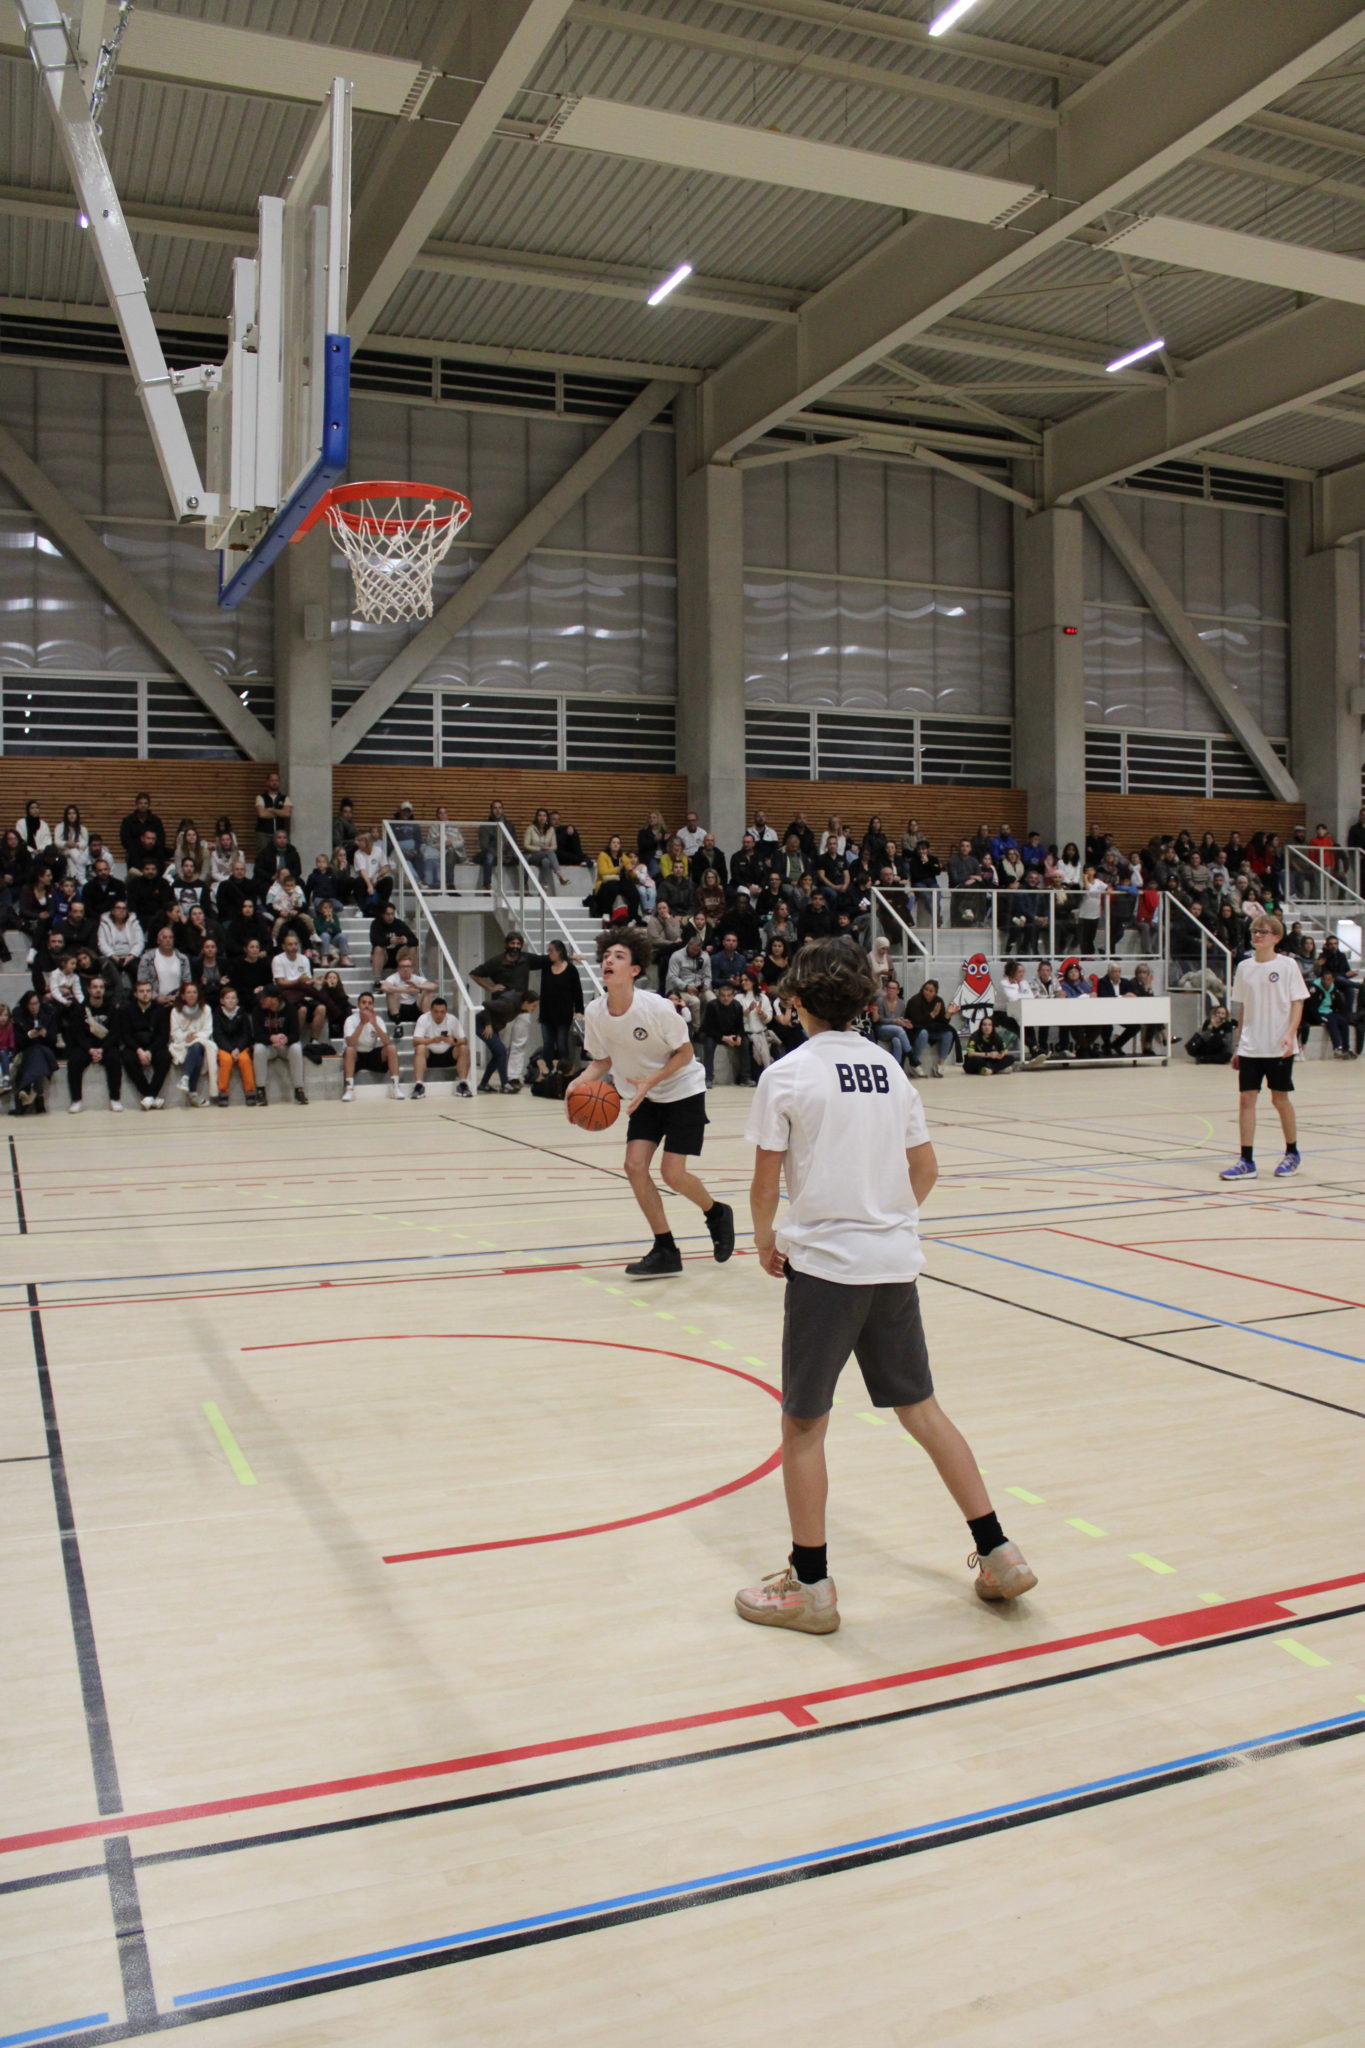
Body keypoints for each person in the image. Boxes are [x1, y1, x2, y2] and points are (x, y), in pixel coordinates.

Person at [735, 936, 1036, 1633]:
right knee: (922, 1410)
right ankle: (998, 1551)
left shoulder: (786, 1074)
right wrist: (885, 1221)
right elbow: (925, 1169)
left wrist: (765, 1239)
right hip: (893, 1264)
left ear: (796, 1000)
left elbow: (763, 1184)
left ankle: (810, 1586)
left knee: (802, 1425)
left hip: (827, 1271)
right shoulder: (888, 1068)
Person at [569, 929, 735, 1279]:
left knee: (672, 1174)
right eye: (607, 956)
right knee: (634, 1166)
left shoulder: (656, 1007)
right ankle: (665, 1248)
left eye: (618, 956)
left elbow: (685, 1053)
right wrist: (577, 1083)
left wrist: (650, 1080)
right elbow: (602, 1060)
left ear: (634, 970)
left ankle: (716, 1212)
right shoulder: (595, 1012)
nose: (609, 960)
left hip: (683, 1090)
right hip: (643, 1095)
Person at [1220, 913, 1307, 1181]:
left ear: (1276, 937)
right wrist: (1238, 1046)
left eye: (1263, 932)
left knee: (1279, 1099)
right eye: (1254, 931)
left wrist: (1290, 1034)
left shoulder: (1288, 965)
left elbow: (1297, 1003)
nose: (1257, 935)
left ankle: (1292, 1153)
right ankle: (1246, 1161)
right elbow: (1244, 1008)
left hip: (1279, 1046)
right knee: (1246, 1099)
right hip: (1251, 1046)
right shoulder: (1244, 967)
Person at [471, 933, 548, 1092]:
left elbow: (546, 959)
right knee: (502, 1048)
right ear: (506, 944)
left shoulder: (526, 959)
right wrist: (490, 988)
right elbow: (474, 974)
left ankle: (513, 1078)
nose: (515, 946)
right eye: (512, 943)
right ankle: (504, 1079)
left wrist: (569, 957)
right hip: (503, 1008)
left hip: (522, 1007)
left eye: (518, 943)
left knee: (519, 1044)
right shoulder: (496, 961)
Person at [63, 973, 122, 1113]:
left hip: (105, 1046)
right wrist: (90, 1049)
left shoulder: (112, 1008)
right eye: (95, 987)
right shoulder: (80, 1009)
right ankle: (76, 1100)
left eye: (101, 987)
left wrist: (102, 1049)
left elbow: (115, 1033)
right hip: (86, 1047)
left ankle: (115, 1099)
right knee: (74, 1062)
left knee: (114, 1060)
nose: (98, 990)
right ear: (89, 990)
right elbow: (77, 1034)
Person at [341, 993, 404, 1102]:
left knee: (391, 1048)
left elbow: (387, 1041)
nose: (367, 1005)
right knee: (349, 1049)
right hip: (356, 1056)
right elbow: (350, 1043)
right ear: (358, 1005)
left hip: (371, 1054)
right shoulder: (350, 1020)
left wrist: (375, 1024)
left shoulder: (377, 1019)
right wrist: (362, 1023)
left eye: (370, 1003)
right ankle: (349, 1089)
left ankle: (395, 1087)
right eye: (364, 1002)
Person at [252, 987, 309, 1107]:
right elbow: (257, 1035)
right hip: (269, 1046)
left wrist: (286, 1039)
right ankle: (260, 1090)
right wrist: (271, 1038)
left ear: (274, 999)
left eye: (264, 998)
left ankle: (299, 1089)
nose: (261, 1000)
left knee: (296, 1048)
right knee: (258, 1050)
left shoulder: (290, 1009)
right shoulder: (258, 1010)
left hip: (284, 1047)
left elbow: (295, 1034)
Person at [121, 978, 171, 1109]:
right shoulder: (127, 1010)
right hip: (135, 1046)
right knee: (128, 1059)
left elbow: (163, 1035)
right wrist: (139, 1050)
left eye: (148, 991)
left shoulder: (160, 1010)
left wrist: (150, 1051)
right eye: (141, 991)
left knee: (165, 1057)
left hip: (153, 1046)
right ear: (135, 994)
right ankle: (150, 1095)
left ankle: (149, 1096)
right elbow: (125, 1035)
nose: (145, 994)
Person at [411, 997, 472, 1099]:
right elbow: (415, 1041)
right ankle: (419, 1085)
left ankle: (462, 1084)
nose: (439, 1015)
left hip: (448, 1055)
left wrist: (453, 1041)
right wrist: (431, 1040)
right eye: (436, 1012)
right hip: (429, 1055)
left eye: (442, 1012)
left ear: (446, 1012)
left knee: (464, 1048)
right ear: (431, 1011)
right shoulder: (423, 1019)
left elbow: (465, 1040)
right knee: (420, 1048)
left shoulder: (452, 1020)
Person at [10, 991, 59, 1115]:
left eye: (36, 1003)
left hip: (46, 1051)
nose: (34, 1007)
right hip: (27, 1050)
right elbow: (18, 1042)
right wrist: (29, 1035)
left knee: (37, 1051)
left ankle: (26, 1088)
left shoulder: (49, 1013)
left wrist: (45, 1034)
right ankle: (39, 1099)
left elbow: (53, 1040)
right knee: (36, 1053)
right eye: (31, 1004)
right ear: (26, 1005)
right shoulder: (19, 1016)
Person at [537, 938, 583, 1069]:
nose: (549, 953)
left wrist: (579, 1010)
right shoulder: (546, 968)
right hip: (547, 1014)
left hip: (563, 1014)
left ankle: (564, 1072)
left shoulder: (571, 970)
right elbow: (543, 992)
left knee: (562, 1044)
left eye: (551, 951)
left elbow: (577, 991)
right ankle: (548, 1072)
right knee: (547, 1045)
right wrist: (541, 1014)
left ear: (559, 952)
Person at [169, 982, 216, 1106]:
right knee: (197, 1056)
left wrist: (195, 1036)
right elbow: (174, 1032)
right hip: (182, 1043)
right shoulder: (175, 1011)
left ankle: (185, 1078)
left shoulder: (206, 1009)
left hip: (201, 1041)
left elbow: (208, 1030)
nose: (192, 995)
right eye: (188, 992)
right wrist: (186, 1037)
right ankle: (193, 1094)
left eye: (194, 992)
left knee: (197, 1046)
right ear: (183, 996)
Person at [699, 982, 752, 1086]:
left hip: (730, 1034)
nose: (726, 998)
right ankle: (708, 1078)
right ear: (719, 996)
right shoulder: (711, 1006)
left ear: (733, 996)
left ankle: (745, 1077)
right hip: (714, 1034)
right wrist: (723, 1038)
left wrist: (739, 1036)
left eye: (728, 996)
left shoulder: (737, 1006)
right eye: (723, 996)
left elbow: (740, 1025)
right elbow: (707, 1028)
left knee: (745, 1041)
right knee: (709, 1043)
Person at [213, 985, 257, 1105]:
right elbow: (218, 1035)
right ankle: (223, 1092)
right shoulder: (217, 1014)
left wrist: (238, 1049)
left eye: (233, 998)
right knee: (226, 1060)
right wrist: (230, 1050)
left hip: (240, 1046)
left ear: (237, 1000)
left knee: (245, 1060)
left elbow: (246, 1034)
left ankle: (250, 1091)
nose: (231, 1001)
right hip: (224, 1047)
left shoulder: (242, 1013)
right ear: (222, 1001)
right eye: (227, 998)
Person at [381, 955, 437, 1034]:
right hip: (399, 1009)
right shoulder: (394, 977)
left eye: (408, 966)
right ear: (398, 969)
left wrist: (418, 986)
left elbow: (434, 986)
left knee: (428, 991)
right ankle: (398, 1025)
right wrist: (405, 990)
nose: (405, 969)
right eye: (403, 967)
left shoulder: (416, 978)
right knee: (391, 992)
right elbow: (384, 987)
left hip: (414, 1008)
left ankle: (425, 1023)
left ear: (412, 969)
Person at [370, 903, 419, 984]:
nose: (390, 917)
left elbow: (415, 941)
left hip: (398, 955)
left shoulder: (399, 924)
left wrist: (406, 940)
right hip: (384, 956)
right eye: (388, 914)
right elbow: (375, 941)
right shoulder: (376, 924)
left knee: (412, 947)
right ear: (382, 914)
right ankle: (377, 981)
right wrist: (389, 941)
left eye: (392, 914)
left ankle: (414, 979)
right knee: (378, 948)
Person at [422, 806, 465, 891]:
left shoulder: (454, 826)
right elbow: (430, 843)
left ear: (447, 815)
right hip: (439, 852)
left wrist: (452, 843)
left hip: (454, 852)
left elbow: (461, 841)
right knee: (433, 857)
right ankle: (438, 885)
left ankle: (449, 884)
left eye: (444, 813)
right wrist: (441, 844)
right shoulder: (434, 827)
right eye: (440, 813)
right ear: (437, 815)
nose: (442, 815)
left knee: (450, 851)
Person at [523, 807, 560, 887]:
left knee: (546, 861)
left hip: (544, 855)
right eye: (540, 815)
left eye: (544, 815)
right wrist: (540, 849)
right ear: (536, 817)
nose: (542, 817)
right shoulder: (531, 828)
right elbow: (526, 845)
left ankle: (543, 886)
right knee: (549, 853)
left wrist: (547, 848)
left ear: (547, 818)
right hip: (532, 856)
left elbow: (555, 846)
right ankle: (558, 872)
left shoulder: (551, 830)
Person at [254, 769, 292, 845]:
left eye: (276, 780)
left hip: (280, 833)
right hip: (264, 833)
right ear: (267, 782)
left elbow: (287, 813)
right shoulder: (260, 797)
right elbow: (262, 814)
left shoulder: (285, 798)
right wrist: (279, 813)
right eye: (272, 780)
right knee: (264, 852)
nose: (274, 783)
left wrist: (271, 810)